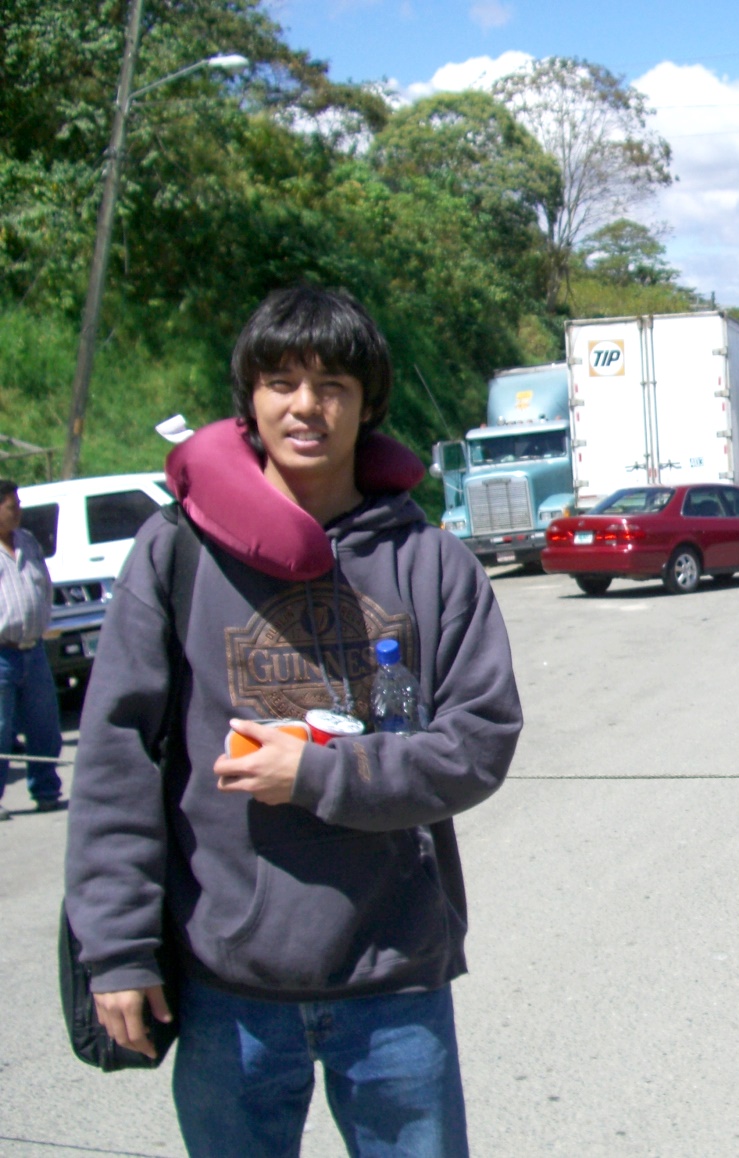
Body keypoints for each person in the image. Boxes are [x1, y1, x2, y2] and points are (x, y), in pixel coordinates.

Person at [65, 286, 523, 1154]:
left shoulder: (431, 563)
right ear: (250, 399)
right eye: (280, 382)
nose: (306, 406)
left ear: (368, 404)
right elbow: (117, 759)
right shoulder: (177, 553)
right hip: (228, 986)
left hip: (394, 980)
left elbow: (478, 742)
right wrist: (117, 949)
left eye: (333, 386)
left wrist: (315, 775)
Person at [0, 478, 64, 819]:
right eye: (12, 506)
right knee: (0, 730)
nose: (18, 512)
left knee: (44, 727)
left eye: (18, 505)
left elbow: (44, 585)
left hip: (34, 649)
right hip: (2, 653)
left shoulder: (27, 541)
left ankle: (46, 790)